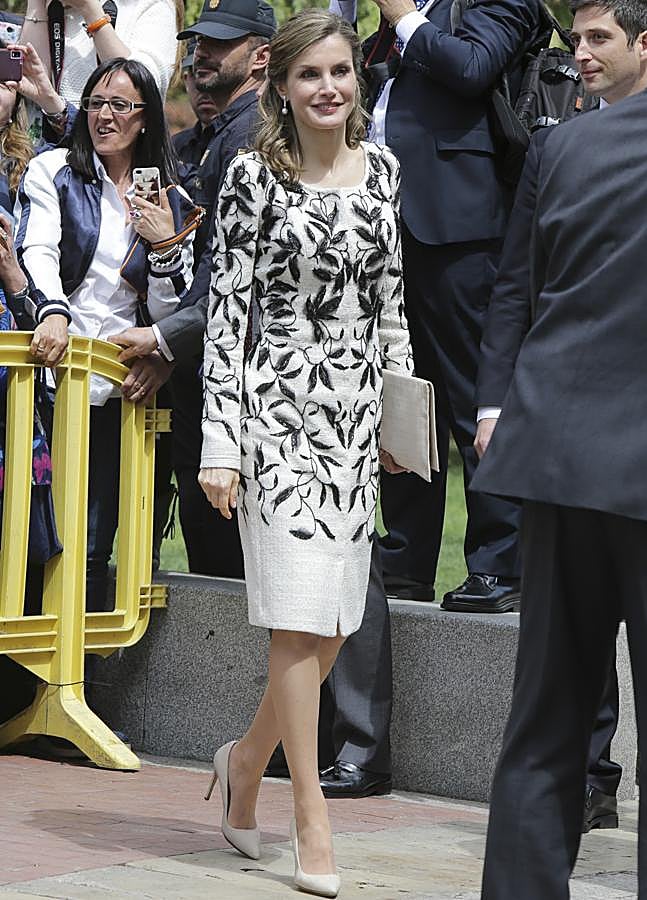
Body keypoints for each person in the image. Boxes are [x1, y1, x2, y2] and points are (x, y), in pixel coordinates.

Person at [198, 10, 412, 896]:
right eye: (309, 75)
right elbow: (224, 314)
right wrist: (220, 440)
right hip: (274, 417)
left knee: (332, 624)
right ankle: (307, 815)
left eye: (339, 72)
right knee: (297, 617)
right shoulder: (253, 177)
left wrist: (401, 415)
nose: (328, 88)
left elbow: (392, 300)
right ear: (279, 89)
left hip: (356, 424)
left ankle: (245, 760)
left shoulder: (385, 171)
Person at [470, 1, 647, 894]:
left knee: (543, 719)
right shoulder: (566, 142)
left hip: (559, 460)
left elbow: (520, 288)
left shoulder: (563, 145)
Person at [334, 0, 542, 611]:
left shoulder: (484, 4)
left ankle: (501, 565)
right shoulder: (393, 24)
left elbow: (473, 66)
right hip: (388, 234)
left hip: (462, 229)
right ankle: (404, 561)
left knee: (476, 397)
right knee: (402, 396)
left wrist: (401, 15)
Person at [15, 57, 200, 613]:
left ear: (145, 118)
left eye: (121, 105)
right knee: (34, 537)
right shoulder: (54, 171)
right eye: (97, 102)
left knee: (95, 546)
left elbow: (171, 305)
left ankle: (80, 684)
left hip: (122, 391)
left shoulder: (170, 197)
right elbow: (39, 248)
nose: (105, 115)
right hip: (50, 380)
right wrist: (53, 312)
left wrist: (165, 245)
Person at [20, 0, 182, 104]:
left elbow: (143, 88)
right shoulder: (54, 6)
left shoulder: (152, 5)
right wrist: (36, 4)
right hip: (46, 151)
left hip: (115, 150)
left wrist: (88, 8)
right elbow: (29, 83)